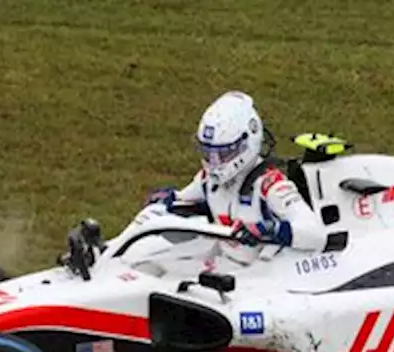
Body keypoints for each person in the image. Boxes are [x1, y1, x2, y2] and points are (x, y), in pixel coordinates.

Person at [140, 91, 333, 267]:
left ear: (247, 142)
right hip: (226, 265)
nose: (214, 163)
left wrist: (269, 230)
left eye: (223, 154)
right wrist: (165, 199)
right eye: (208, 153)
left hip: (265, 274)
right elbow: (181, 200)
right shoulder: (208, 181)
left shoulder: (270, 185)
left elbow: (315, 234)